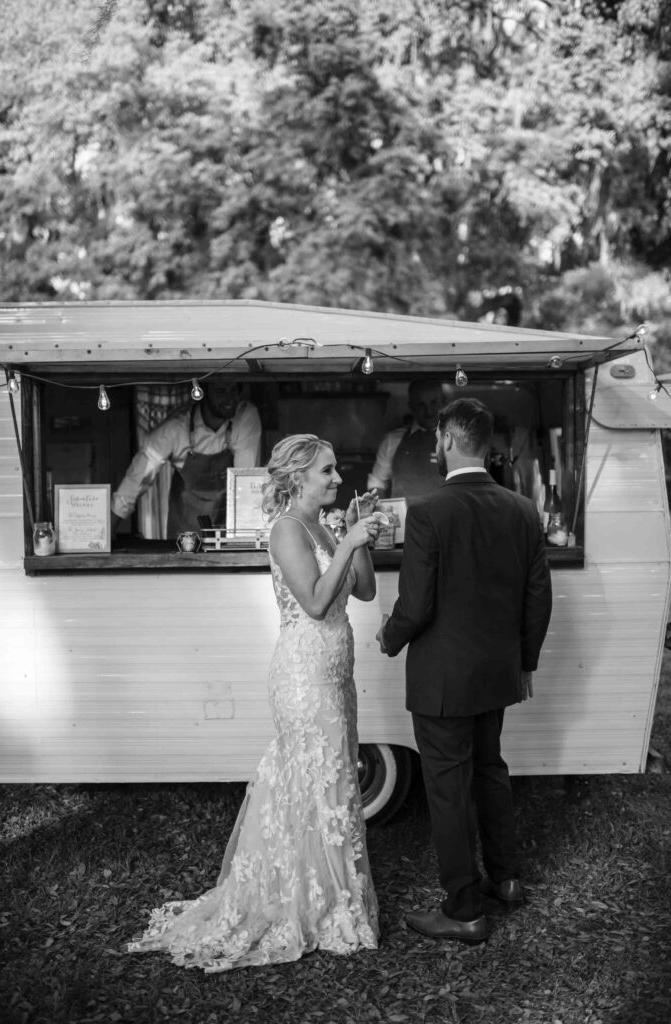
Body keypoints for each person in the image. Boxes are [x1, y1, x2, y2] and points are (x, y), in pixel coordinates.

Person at [127, 434, 382, 971]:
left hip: (336, 670)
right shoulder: (287, 530)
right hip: (303, 674)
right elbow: (314, 603)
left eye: (336, 471)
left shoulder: (324, 526)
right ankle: (322, 906)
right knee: (316, 783)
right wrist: (349, 540)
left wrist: (355, 539)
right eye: (328, 472)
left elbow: (364, 592)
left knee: (330, 783)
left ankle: (328, 897)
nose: (338, 479)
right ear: (297, 478)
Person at [376, 398, 552, 944]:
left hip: (444, 681)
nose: (433, 446)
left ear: (449, 440)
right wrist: (525, 662)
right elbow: (538, 598)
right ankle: (507, 878)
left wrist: (387, 637)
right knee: (490, 771)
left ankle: (464, 909)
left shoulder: (429, 512)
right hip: (496, 673)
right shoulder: (523, 510)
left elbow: (416, 605)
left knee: (449, 790)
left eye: (436, 439)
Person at [111, 378, 261, 538]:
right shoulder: (174, 429)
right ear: (204, 392)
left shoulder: (245, 416)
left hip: (225, 527)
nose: (230, 399)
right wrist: (104, 539)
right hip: (184, 530)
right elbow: (135, 482)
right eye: (220, 392)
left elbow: (247, 483)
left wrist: (247, 540)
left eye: (234, 390)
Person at [367, 380, 445, 499]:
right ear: (411, 407)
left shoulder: (457, 440)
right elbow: (377, 481)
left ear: (443, 402)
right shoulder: (392, 440)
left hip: (444, 516)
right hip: (403, 517)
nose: (428, 411)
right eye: (421, 405)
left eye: (434, 403)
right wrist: (379, 508)